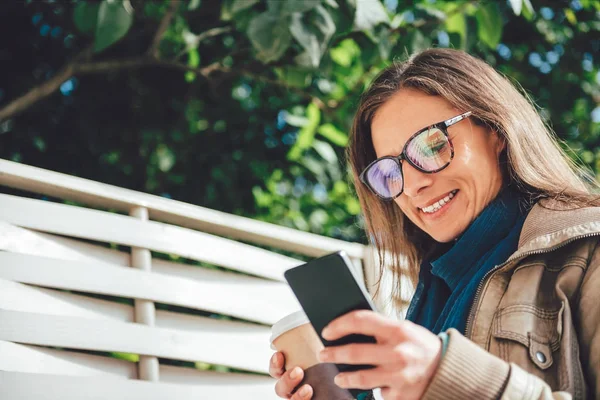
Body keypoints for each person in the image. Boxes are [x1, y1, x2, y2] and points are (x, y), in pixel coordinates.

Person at [269, 48, 600, 400]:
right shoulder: (435, 289)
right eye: (389, 171)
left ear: (496, 131)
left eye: (431, 146)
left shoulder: (588, 251)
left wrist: (449, 375)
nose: (411, 186)